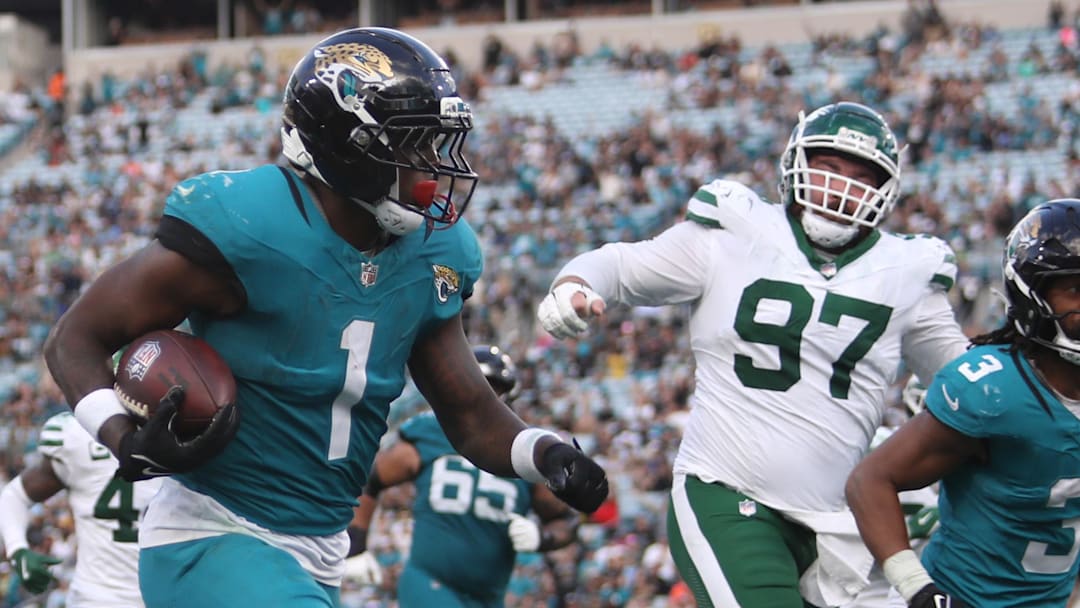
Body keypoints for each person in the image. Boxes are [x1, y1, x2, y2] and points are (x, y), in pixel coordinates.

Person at [42, 27, 607, 608]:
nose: (434, 167)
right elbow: (75, 339)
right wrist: (121, 437)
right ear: (347, 146)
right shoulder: (251, 227)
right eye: (414, 144)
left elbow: (468, 411)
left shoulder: (433, 252)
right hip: (214, 532)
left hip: (318, 550)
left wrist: (545, 454)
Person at [537, 101, 970, 607]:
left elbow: (969, 381)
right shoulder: (736, 231)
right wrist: (575, 284)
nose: (842, 186)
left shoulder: (908, 271)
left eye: (861, 175)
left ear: (887, 190)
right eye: (829, 168)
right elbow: (623, 264)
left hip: (836, 522)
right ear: (796, 164)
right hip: (726, 491)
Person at [847, 198, 1080, 608]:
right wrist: (919, 590)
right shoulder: (995, 391)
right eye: (1076, 289)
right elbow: (870, 481)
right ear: (1033, 295)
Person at [344, 344, 580, 606]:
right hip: (429, 582)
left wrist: (541, 537)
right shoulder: (430, 433)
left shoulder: (525, 451)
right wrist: (356, 545)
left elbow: (566, 521)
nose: (485, 398)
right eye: (478, 385)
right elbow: (370, 479)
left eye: (494, 388)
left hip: (488, 598)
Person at [0, 410, 162, 607]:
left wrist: (18, 550)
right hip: (127, 595)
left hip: (100, 597)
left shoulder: (77, 433)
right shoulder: (186, 427)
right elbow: (14, 496)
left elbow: (12, 496)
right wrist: (17, 549)